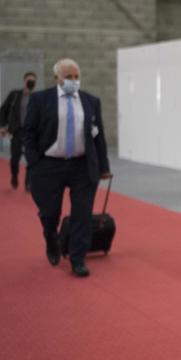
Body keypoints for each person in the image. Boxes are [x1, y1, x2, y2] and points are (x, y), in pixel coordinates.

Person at [21, 58, 111, 278]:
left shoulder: (91, 101)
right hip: (49, 164)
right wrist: (34, 161)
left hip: (82, 164)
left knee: (82, 214)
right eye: (68, 77)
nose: (73, 80)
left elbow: (98, 137)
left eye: (76, 76)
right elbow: (29, 132)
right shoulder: (40, 100)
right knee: (50, 212)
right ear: (57, 78)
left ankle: (78, 259)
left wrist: (104, 166)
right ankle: (51, 236)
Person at [0, 71, 38, 190]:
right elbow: (3, 110)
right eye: (29, 80)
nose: (31, 82)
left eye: (33, 81)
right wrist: (3, 126)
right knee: (15, 158)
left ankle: (28, 182)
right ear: (24, 81)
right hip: (16, 131)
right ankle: (14, 175)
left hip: (31, 132)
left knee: (31, 158)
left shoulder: (37, 97)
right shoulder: (15, 95)